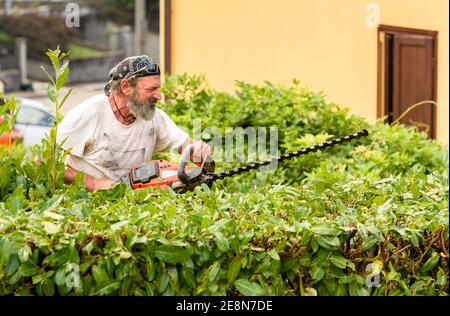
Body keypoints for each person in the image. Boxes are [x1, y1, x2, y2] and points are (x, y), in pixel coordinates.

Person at [57, 55, 211, 192]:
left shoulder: (155, 117)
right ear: (126, 87)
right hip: (86, 201)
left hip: (133, 199)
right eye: (151, 89)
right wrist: (92, 183)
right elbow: (44, 163)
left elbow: (187, 147)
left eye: (158, 88)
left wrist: (200, 152)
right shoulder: (88, 113)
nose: (158, 96)